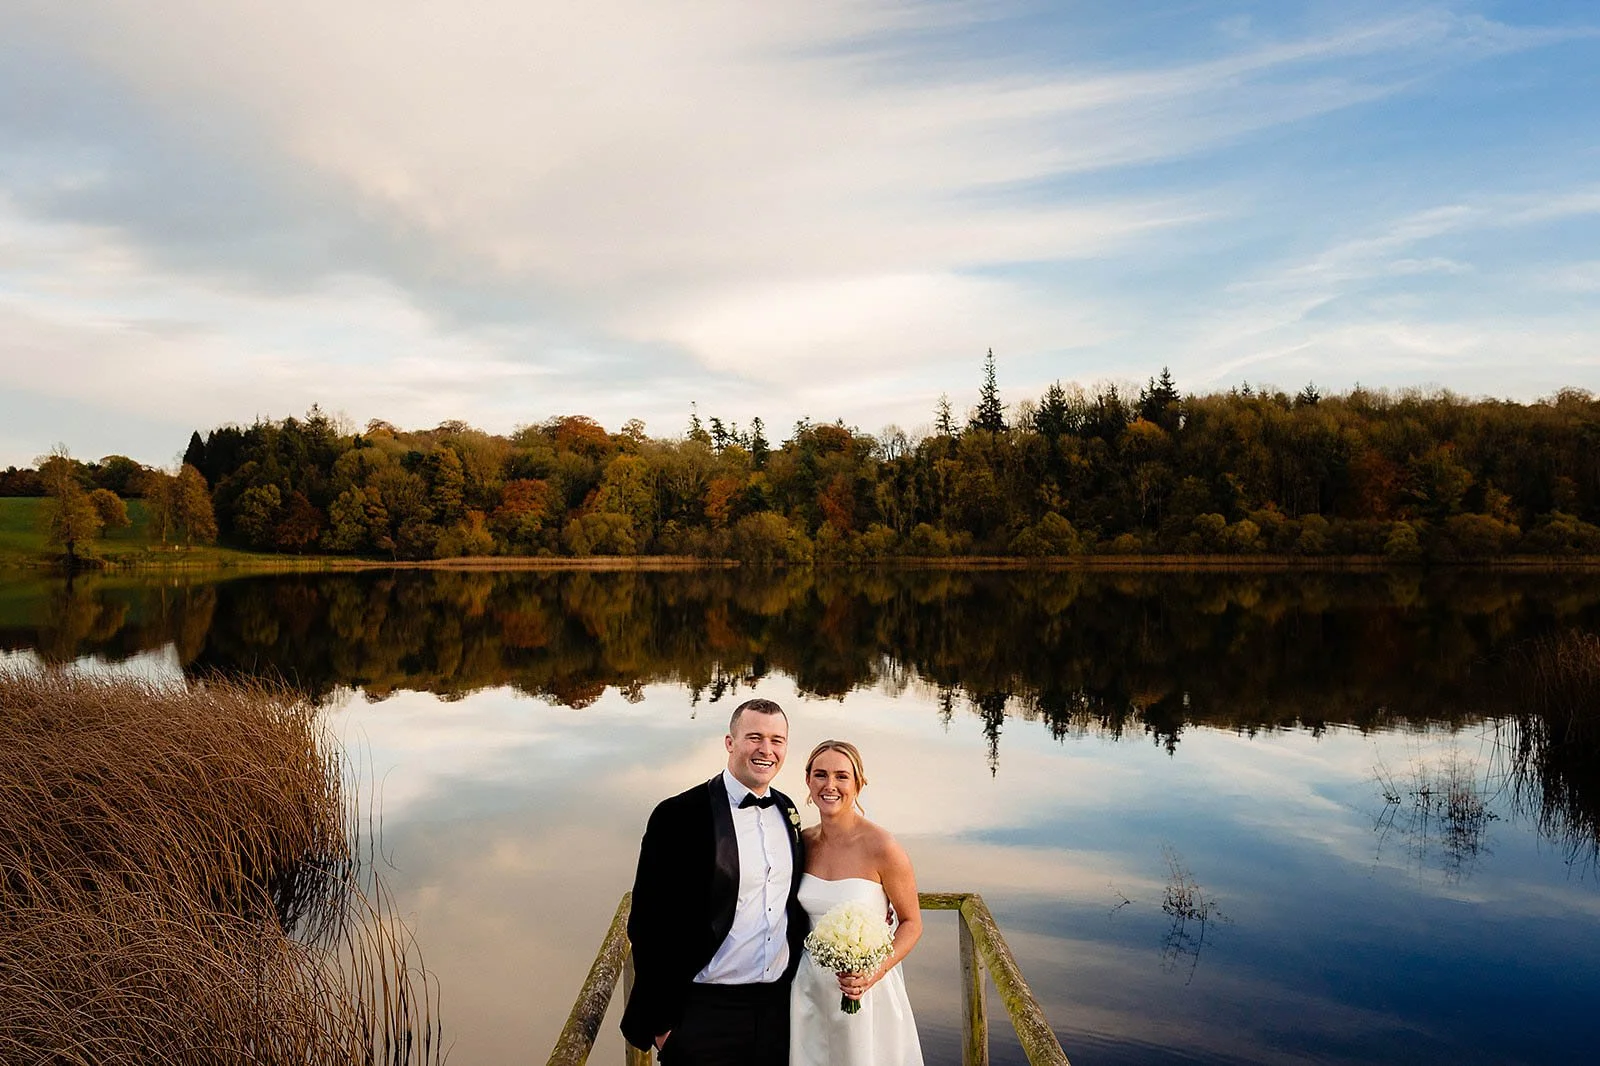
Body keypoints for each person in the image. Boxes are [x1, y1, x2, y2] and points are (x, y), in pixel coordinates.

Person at [621, 697, 808, 1066]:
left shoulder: (788, 811)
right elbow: (646, 922)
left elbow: (799, 898)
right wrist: (663, 1024)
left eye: (777, 740)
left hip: (776, 1009)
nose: (766, 750)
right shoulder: (678, 815)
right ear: (730, 742)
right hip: (701, 1010)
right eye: (754, 737)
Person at [790, 740, 924, 1066]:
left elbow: (911, 923)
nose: (830, 785)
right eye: (820, 775)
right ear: (808, 780)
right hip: (809, 990)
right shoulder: (801, 842)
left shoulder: (883, 846)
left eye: (842, 776)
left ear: (858, 783)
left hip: (866, 990)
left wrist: (873, 973)